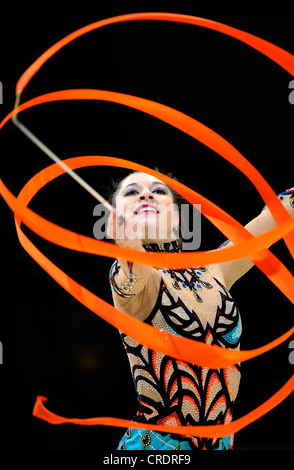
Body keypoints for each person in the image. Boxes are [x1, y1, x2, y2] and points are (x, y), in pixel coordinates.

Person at [107, 171, 294, 450]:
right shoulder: (130, 276)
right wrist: (129, 255)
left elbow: (277, 217)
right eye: (131, 193)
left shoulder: (214, 270)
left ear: (178, 216)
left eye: (158, 191)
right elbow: (128, 282)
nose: (145, 195)